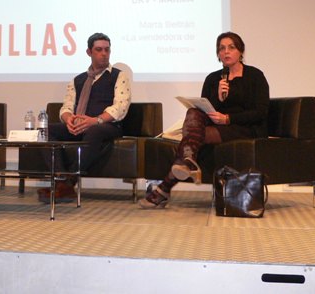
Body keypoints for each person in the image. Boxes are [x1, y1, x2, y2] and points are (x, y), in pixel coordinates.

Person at [139, 32, 270, 208]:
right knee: (193, 112)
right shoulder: (213, 79)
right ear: (218, 54)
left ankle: (169, 182)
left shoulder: (255, 76)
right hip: (216, 125)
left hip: (244, 127)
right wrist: (218, 99)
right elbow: (204, 109)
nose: (226, 52)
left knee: (193, 136)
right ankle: (184, 165)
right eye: (221, 48)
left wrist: (228, 118)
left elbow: (261, 112)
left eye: (231, 47)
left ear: (241, 51)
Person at [37, 33, 131, 202]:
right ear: (89, 52)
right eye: (99, 50)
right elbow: (66, 107)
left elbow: (120, 107)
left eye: (107, 50)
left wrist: (94, 120)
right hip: (79, 124)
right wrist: (69, 120)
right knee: (43, 131)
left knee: (94, 131)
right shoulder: (78, 80)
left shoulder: (119, 76)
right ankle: (61, 180)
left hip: (106, 126)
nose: (104, 53)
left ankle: (68, 183)